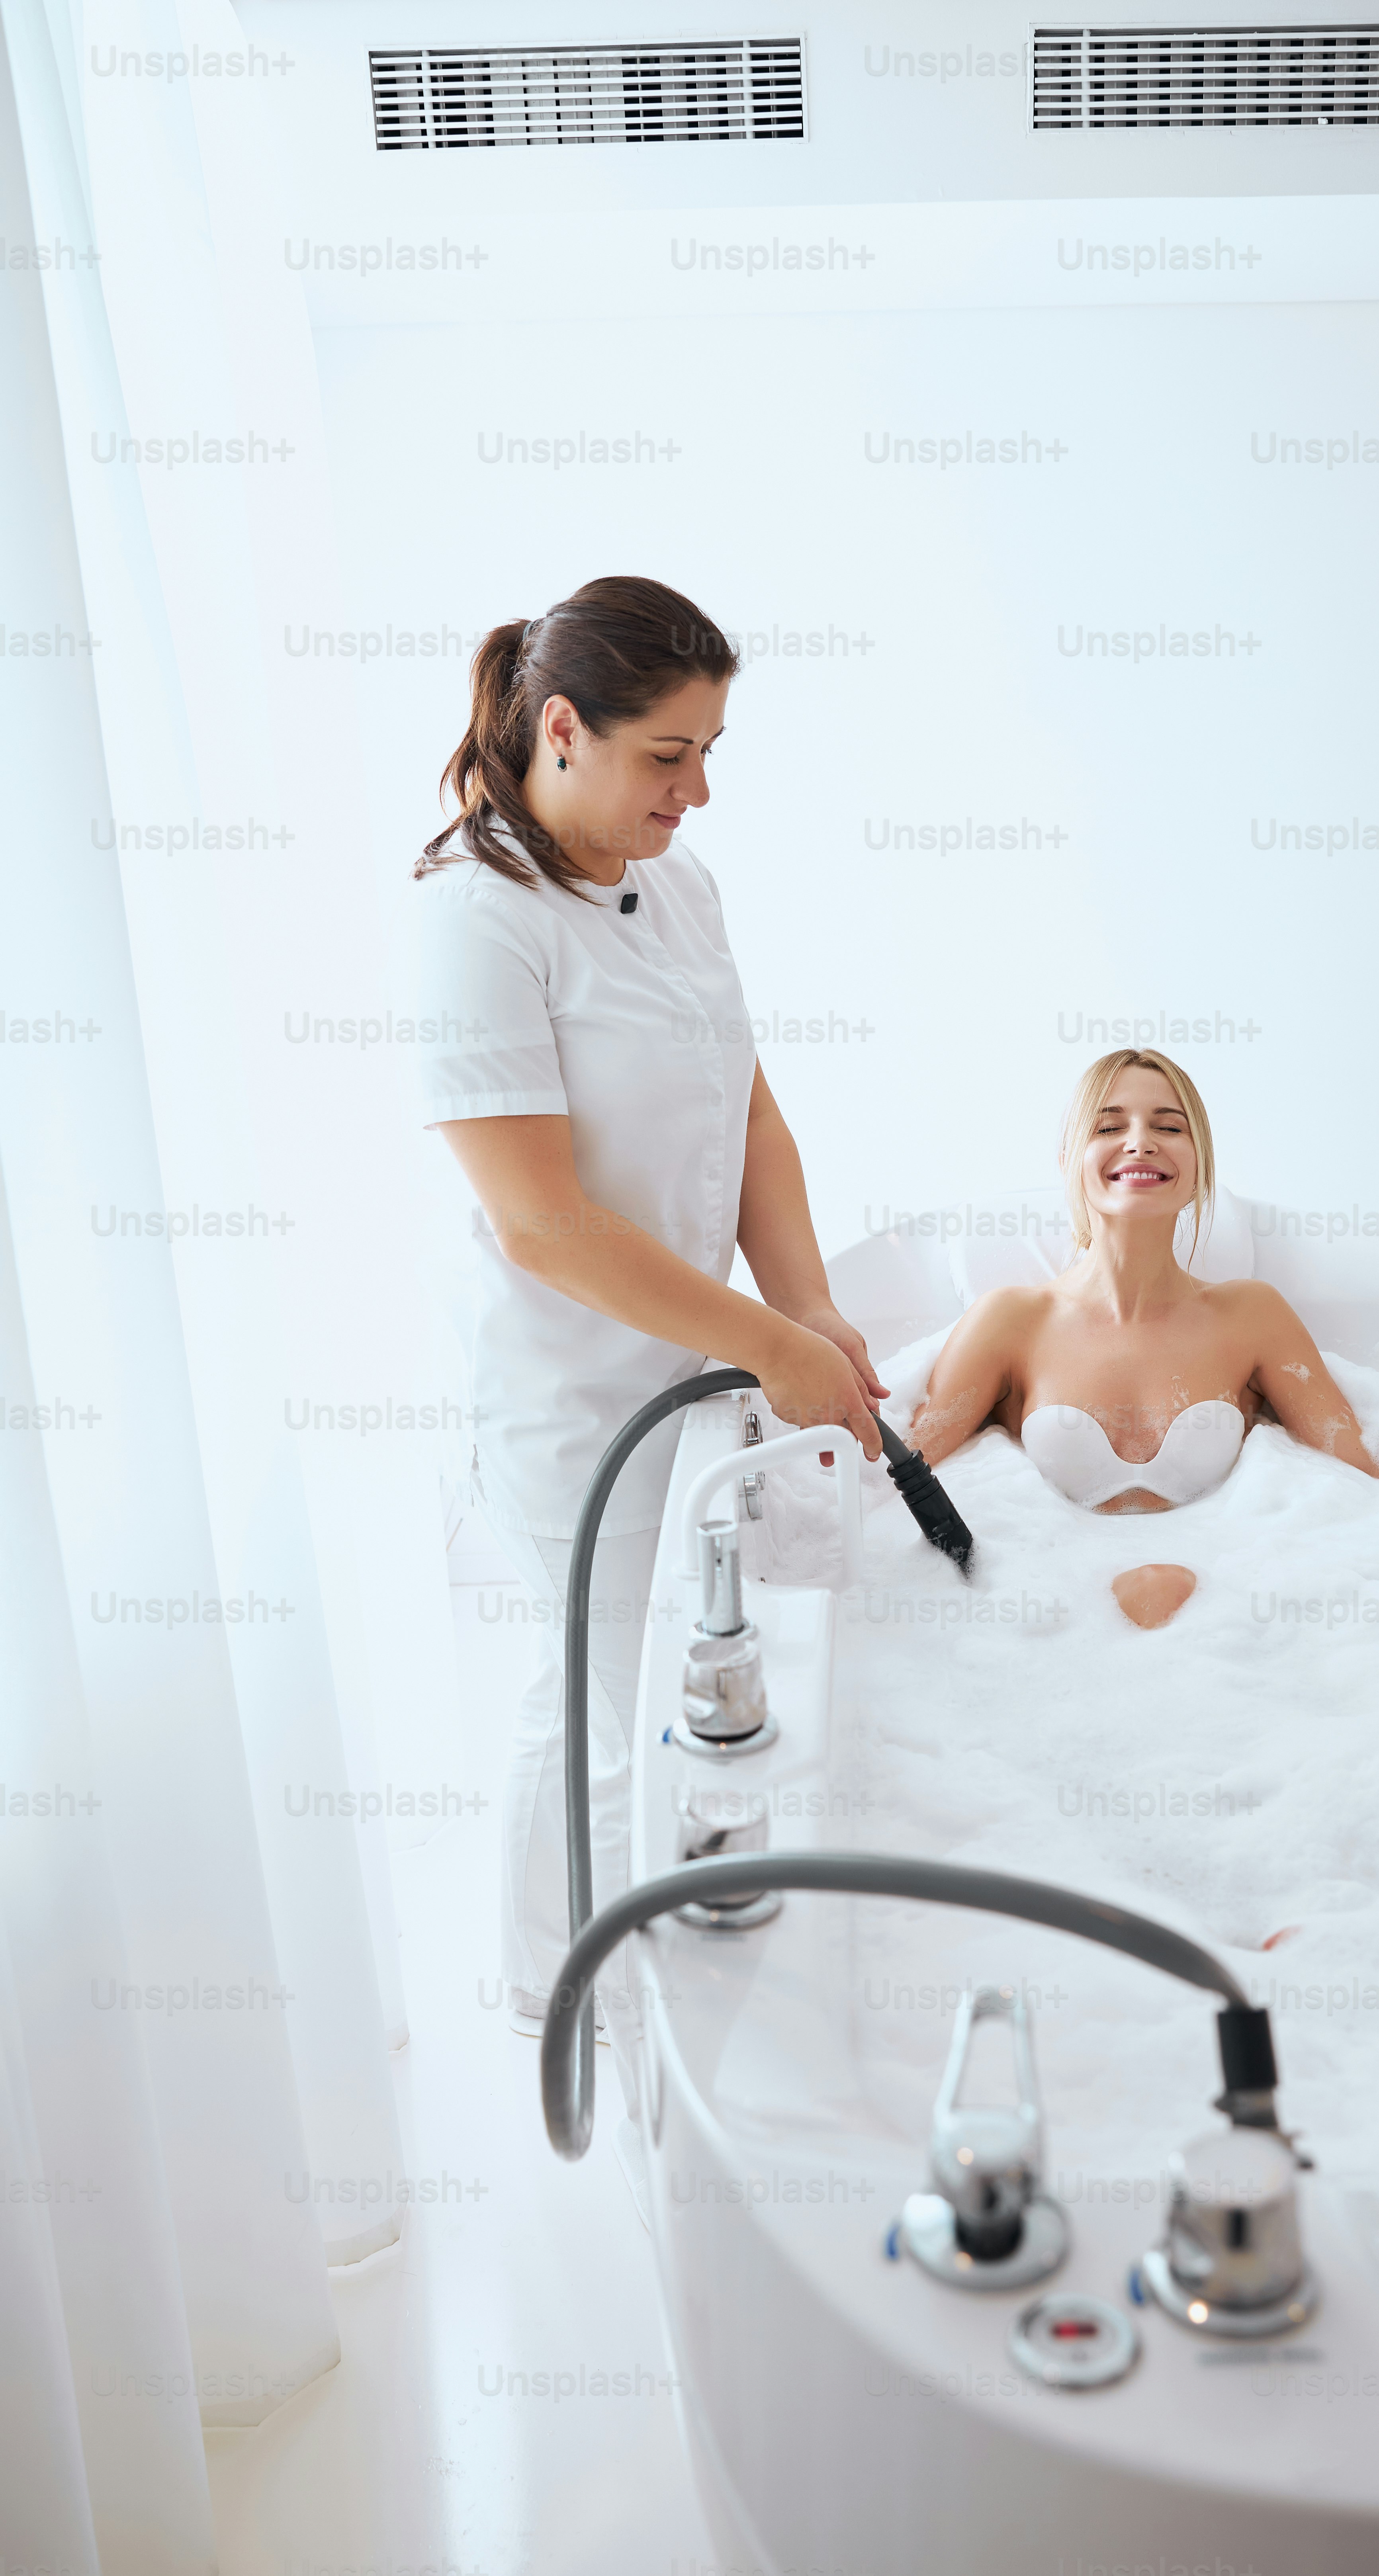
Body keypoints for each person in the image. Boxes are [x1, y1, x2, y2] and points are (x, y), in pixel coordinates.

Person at [413, 577, 884, 2158]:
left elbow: (750, 1109)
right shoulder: (475, 922)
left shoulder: (678, 886)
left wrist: (805, 1308)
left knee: (669, 1711)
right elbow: (540, 1223)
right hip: (575, 1416)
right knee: (592, 1726)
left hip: (694, 1381)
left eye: (710, 753)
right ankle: (568, 2035)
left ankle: (661, 2014)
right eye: (668, 757)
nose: (696, 792)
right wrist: (762, 1342)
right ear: (562, 731)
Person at [910, 1049, 1378, 1627]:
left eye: (1168, 1126)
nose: (1139, 1142)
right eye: (1109, 1126)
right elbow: (900, 1484)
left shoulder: (1252, 1315)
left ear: (1201, 1166)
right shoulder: (1010, 1321)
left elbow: (1362, 1490)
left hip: (1237, 1633)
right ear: (1068, 1162)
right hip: (1044, 1628)